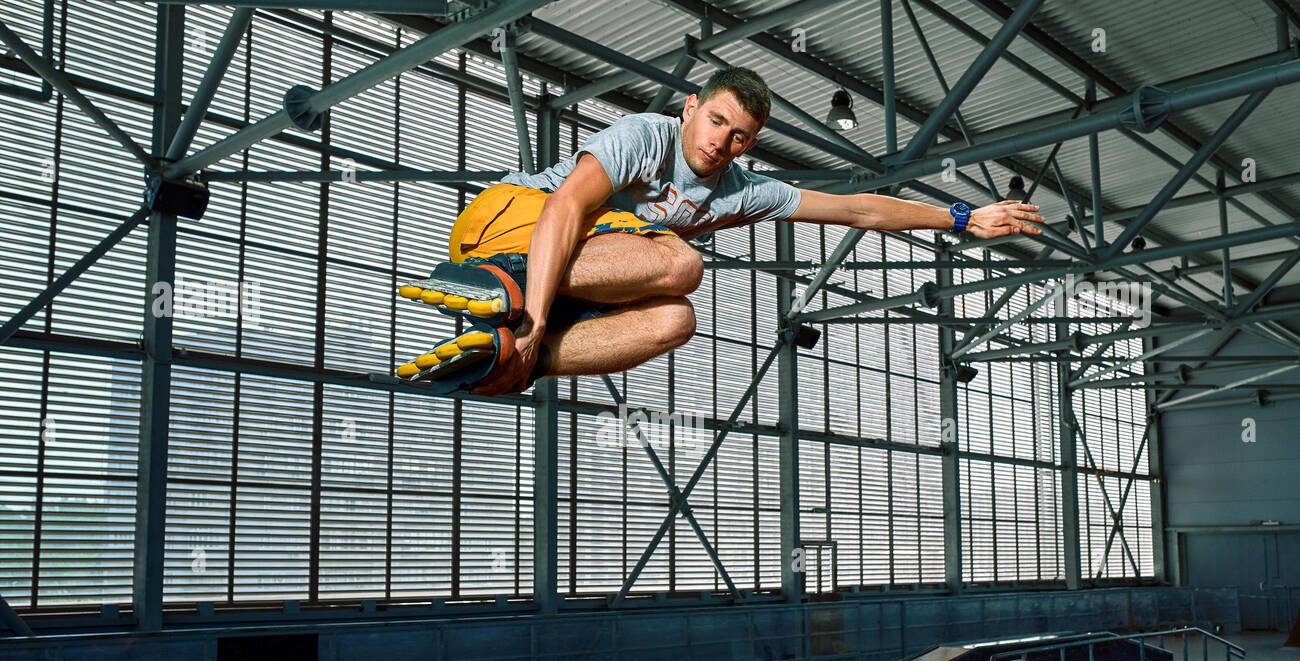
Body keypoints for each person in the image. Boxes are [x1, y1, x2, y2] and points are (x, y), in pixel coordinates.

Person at [395, 65, 1044, 396]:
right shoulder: (644, 138)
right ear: (690, 109)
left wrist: (962, 217)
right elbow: (567, 206)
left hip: (561, 276)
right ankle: (511, 294)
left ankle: (513, 364)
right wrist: (533, 307)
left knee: (675, 322)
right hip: (508, 221)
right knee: (682, 267)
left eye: (741, 137)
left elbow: (858, 210)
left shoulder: (743, 191)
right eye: (717, 123)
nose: (723, 142)